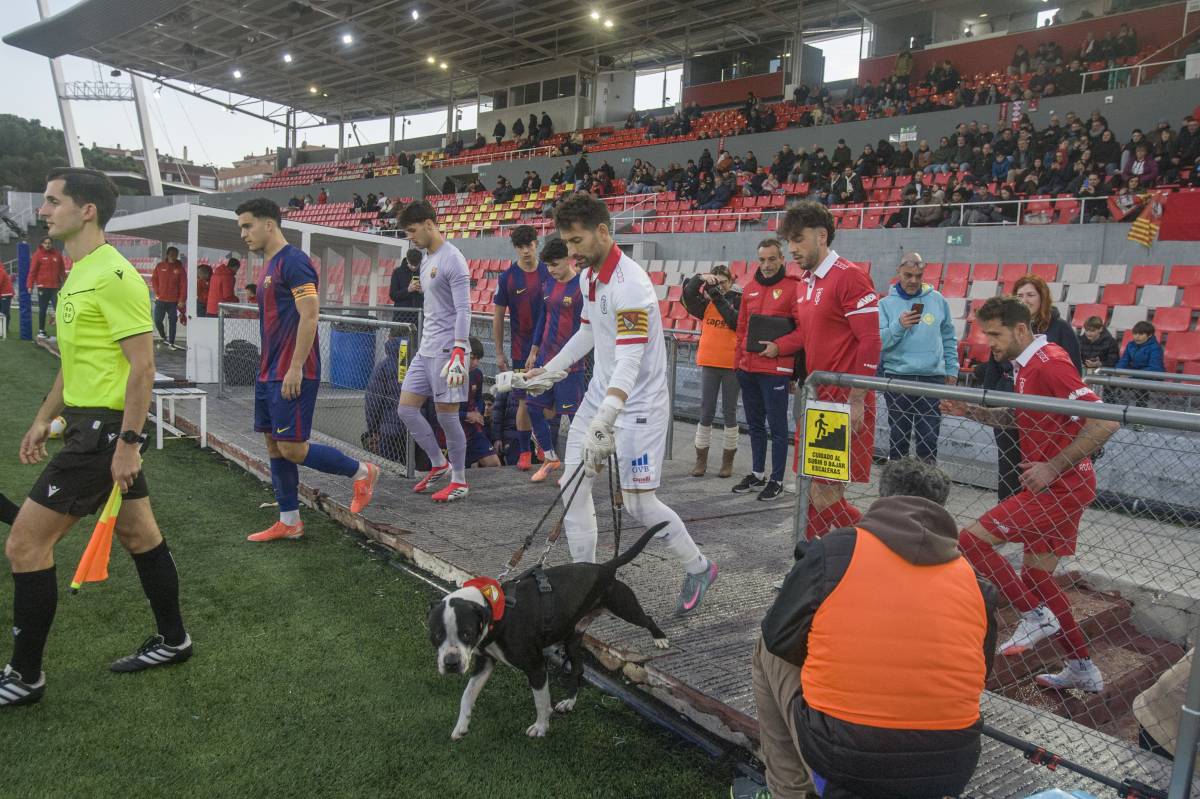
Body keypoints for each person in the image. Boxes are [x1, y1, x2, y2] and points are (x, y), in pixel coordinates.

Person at [3, 167, 192, 707]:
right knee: (140, 536)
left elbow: (143, 367)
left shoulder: (113, 275)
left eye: (52, 200)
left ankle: (24, 676)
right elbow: (76, 362)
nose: (43, 210)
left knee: (25, 544)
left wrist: (128, 443)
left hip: (105, 434)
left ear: (87, 210)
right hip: (88, 426)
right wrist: (44, 418)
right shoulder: (78, 272)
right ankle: (174, 640)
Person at [755, 459, 997, 799]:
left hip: (844, 760)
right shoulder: (976, 583)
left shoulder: (834, 550)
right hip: (948, 769)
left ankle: (790, 792)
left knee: (766, 650)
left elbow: (779, 635)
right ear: (941, 507)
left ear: (883, 497)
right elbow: (980, 670)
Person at [525, 193, 718, 614]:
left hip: (638, 405)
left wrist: (606, 419)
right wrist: (549, 371)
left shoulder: (632, 285)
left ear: (602, 231)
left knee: (638, 504)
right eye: (566, 242)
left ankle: (700, 567)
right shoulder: (588, 277)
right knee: (572, 485)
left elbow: (630, 361)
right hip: (601, 395)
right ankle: (585, 587)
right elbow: (587, 333)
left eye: (576, 241)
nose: (571, 252)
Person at [946, 296, 1117, 693]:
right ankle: (1081, 666)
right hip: (1060, 486)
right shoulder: (1026, 364)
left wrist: (1052, 466)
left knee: (971, 541)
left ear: (1021, 329)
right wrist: (970, 412)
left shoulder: (1048, 363)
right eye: (985, 334)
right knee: (1038, 576)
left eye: (995, 334)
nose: (989, 343)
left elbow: (1105, 421)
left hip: (1060, 487)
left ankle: (1035, 615)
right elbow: (1018, 417)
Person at [234, 198, 380, 542]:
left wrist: (296, 366)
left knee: (293, 449)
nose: (243, 233)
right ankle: (290, 521)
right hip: (269, 371)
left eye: (247, 225)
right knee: (274, 444)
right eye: (241, 227)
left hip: (292, 370)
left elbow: (310, 315)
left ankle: (362, 471)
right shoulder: (269, 265)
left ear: (269, 224)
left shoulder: (294, 262)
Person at [783, 202, 882, 540]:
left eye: (798, 239)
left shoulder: (850, 276)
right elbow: (810, 336)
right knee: (811, 492)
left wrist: (857, 399)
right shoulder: (805, 282)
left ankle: (881, 545)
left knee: (824, 495)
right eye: (789, 241)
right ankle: (812, 562)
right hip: (818, 397)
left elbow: (870, 341)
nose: (792, 248)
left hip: (842, 399)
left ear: (821, 236)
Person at [395, 201, 473, 502]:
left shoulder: (453, 259)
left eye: (413, 230)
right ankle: (439, 464)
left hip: (447, 350)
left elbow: (464, 309)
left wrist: (459, 350)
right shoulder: (427, 259)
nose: (410, 237)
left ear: (430, 224)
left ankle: (460, 480)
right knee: (406, 409)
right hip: (426, 348)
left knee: (447, 417)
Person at [732, 240, 806, 501]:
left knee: (777, 427)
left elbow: (804, 330)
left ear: (782, 260)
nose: (766, 265)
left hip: (775, 370)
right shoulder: (750, 288)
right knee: (754, 425)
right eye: (762, 259)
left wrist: (780, 347)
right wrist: (738, 363)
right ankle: (757, 473)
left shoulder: (794, 287)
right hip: (748, 369)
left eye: (772, 259)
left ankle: (776, 479)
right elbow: (741, 329)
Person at [878, 253, 958, 463]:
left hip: (932, 378)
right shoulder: (885, 304)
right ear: (898, 272)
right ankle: (897, 481)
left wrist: (952, 369)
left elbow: (949, 337)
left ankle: (927, 481)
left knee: (929, 439)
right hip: (897, 378)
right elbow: (879, 342)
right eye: (908, 275)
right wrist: (899, 326)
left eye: (918, 275)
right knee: (898, 438)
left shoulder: (937, 300)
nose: (913, 280)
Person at [524, 238, 584, 483]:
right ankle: (550, 457)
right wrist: (534, 350)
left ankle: (577, 467)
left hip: (571, 365)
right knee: (532, 405)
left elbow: (587, 329)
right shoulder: (548, 284)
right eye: (548, 265)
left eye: (555, 264)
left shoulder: (581, 287)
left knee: (574, 418)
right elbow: (542, 318)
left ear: (568, 260)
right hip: (545, 361)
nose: (551, 270)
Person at [492, 225, 550, 471]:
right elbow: (497, 316)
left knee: (547, 401)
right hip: (519, 349)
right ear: (516, 248)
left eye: (530, 245)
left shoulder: (548, 271)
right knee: (524, 401)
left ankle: (541, 440)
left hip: (549, 347)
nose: (526, 251)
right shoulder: (507, 278)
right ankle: (525, 452)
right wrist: (499, 352)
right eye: (521, 247)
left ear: (537, 243)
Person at [682, 264, 741, 479]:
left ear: (731, 282)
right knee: (706, 411)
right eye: (717, 282)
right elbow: (688, 295)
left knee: (729, 412)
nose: (720, 286)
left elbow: (735, 322)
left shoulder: (739, 301)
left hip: (731, 365)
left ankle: (727, 461)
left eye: (724, 282)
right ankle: (701, 461)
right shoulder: (706, 303)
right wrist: (701, 278)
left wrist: (717, 295)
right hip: (709, 362)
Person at [461, 337, 500, 468]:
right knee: (459, 469)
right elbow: (441, 411)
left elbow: (478, 398)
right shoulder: (451, 375)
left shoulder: (477, 374)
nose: (476, 363)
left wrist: (478, 410)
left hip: (473, 429)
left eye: (479, 359)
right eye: (473, 358)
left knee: (494, 464)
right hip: (453, 430)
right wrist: (466, 415)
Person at [28, 236, 66, 338]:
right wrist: (30, 285)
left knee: (59, 309)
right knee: (43, 309)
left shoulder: (57, 255)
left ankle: (62, 331)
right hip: (43, 287)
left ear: (51, 244)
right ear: (42, 244)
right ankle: (41, 330)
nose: (47, 245)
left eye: (49, 243)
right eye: (45, 243)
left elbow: (62, 270)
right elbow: (32, 271)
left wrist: (66, 282)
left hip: (55, 287)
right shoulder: (37, 255)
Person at [150, 247, 186, 350]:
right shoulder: (160, 266)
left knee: (172, 322)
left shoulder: (180, 269)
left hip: (174, 301)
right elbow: (154, 279)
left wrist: (182, 300)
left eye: (175, 254)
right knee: (157, 320)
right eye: (172, 254)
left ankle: (171, 342)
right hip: (160, 300)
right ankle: (163, 336)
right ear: (167, 255)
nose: (174, 256)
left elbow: (183, 285)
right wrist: (157, 292)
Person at [389, 247, 424, 320]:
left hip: (418, 317)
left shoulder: (423, 272)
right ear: (407, 260)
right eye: (411, 264)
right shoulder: (398, 272)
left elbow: (431, 296)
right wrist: (408, 290)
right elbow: (393, 295)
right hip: (401, 316)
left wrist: (422, 292)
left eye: (416, 265)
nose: (414, 267)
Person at [0, 261, 14, 327]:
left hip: (6, 294)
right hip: (2, 293)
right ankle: (3, 327)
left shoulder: (1, 271)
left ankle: (4, 328)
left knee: (4, 312)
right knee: (3, 311)